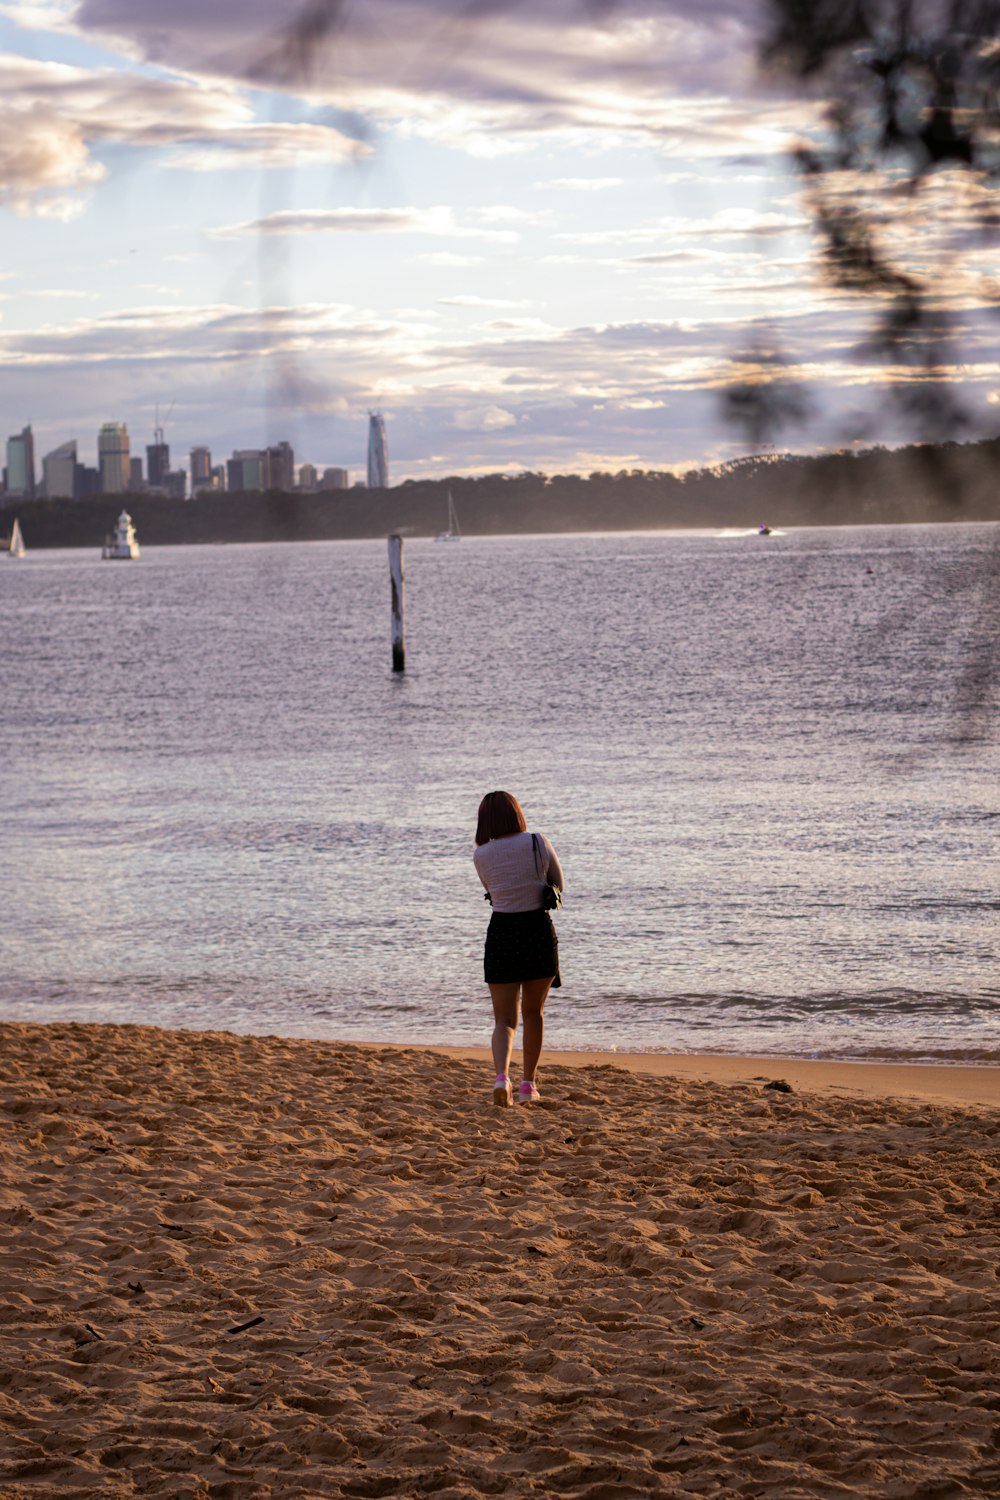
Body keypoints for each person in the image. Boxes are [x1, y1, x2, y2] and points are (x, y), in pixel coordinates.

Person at [473, 790, 565, 1107]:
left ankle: (501, 1078)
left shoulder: (481, 854)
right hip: (537, 931)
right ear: (516, 814)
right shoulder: (537, 841)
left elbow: (493, 892)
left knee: (504, 1021)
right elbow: (559, 884)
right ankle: (528, 1085)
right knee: (533, 1014)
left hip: (502, 933)